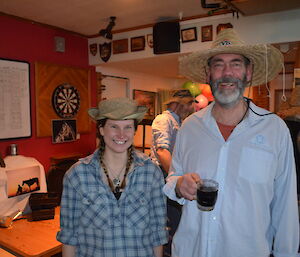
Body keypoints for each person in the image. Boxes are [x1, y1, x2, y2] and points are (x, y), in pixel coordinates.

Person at [163, 28, 299, 257]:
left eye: (236, 64)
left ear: (248, 72)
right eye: (218, 64)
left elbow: (285, 206)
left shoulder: (274, 130)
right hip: (191, 250)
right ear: (208, 74)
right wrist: (178, 185)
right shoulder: (189, 128)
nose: (227, 73)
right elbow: (173, 177)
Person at [57, 97, 168, 257]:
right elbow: (69, 237)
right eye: (114, 126)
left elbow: (157, 233)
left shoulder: (151, 173)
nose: (121, 134)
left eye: (128, 127)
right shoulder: (77, 176)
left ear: (134, 130)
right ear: (101, 129)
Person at [150, 89, 195, 257]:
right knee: (171, 221)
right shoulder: (164, 119)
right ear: (176, 104)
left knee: (178, 220)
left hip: (172, 174)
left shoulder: (180, 122)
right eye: (189, 103)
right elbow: (162, 151)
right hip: (162, 174)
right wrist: (174, 179)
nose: (191, 107)